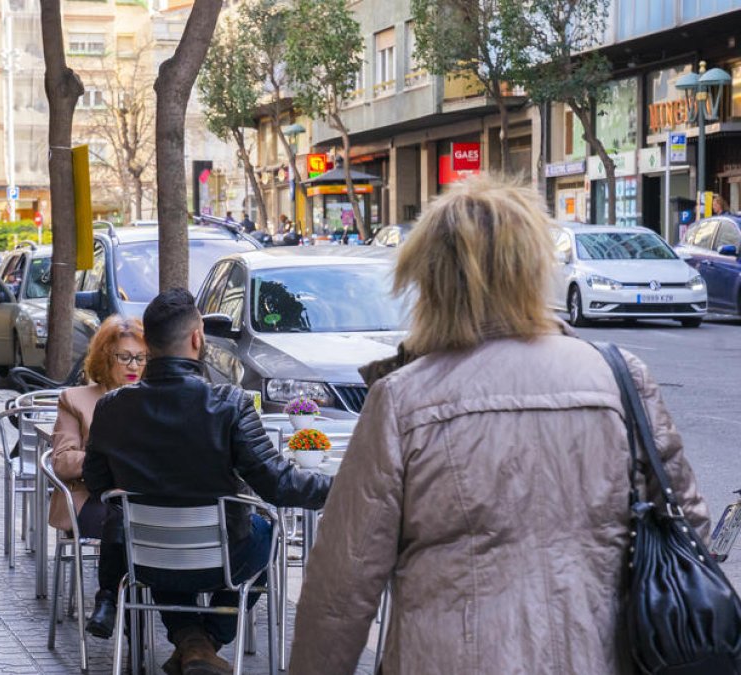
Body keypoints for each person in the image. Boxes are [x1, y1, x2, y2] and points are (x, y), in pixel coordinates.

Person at [288, 176, 711, 674]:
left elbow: (342, 589)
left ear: (431, 280)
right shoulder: (620, 379)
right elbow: (689, 532)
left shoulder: (403, 401)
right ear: (533, 270)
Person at [84, 289, 331, 675]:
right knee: (267, 532)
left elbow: (97, 480)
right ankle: (206, 640)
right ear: (197, 338)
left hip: (145, 560)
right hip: (223, 562)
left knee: (156, 537)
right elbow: (278, 484)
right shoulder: (229, 404)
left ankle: (189, 640)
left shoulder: (112, 407)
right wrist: (340, 487)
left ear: (148, 343)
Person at [48, 316, 146, 640]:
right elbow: (61, 462)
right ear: (106, 357)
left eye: (141, 357)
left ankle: (112, 602)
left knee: (145, 521)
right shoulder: (76, 399)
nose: (134, 365)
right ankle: (133, 619)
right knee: (124, 521)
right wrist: (105, 460)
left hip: (144, 501)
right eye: (125, 357)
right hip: (91, 499)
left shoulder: (155, 400)